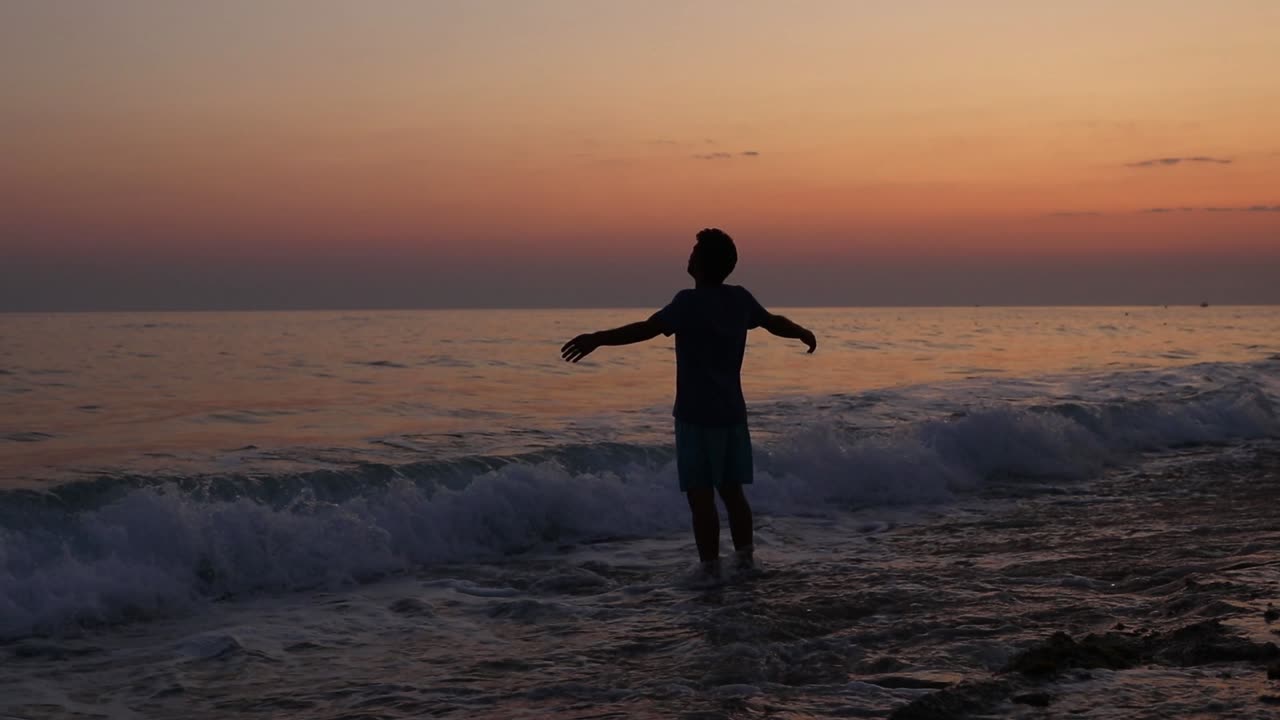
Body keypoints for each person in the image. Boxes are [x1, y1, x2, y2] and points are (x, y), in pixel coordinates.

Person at [560, 228, 817, 581]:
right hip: (732, 415)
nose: (689, 255)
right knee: (733, 493)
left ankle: (710, 570)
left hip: (696, 417)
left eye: (695, 250)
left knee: (701, 498)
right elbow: (774, 323)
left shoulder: (687, 303)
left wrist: (597, 339)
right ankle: (745, 561)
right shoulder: (740, 299)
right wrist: (802, 331)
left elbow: (645, 329)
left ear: (703, 262)